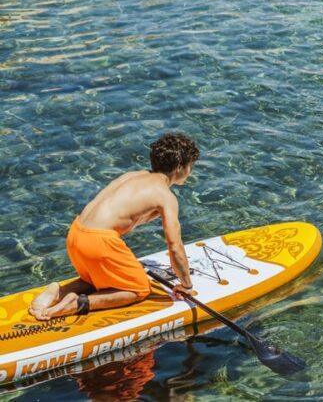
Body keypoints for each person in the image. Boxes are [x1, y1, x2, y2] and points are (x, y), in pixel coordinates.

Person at [29, 133, 199, 320]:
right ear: (179, 167)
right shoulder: (165, 196)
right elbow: (175, 246)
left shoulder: (132, 176)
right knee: (139, 288)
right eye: (190, 166)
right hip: (97, 242)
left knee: (98, 280)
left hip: (76, 233)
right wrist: (186, 285)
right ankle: (78, 303)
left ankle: (58, 292)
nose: (190, 172)